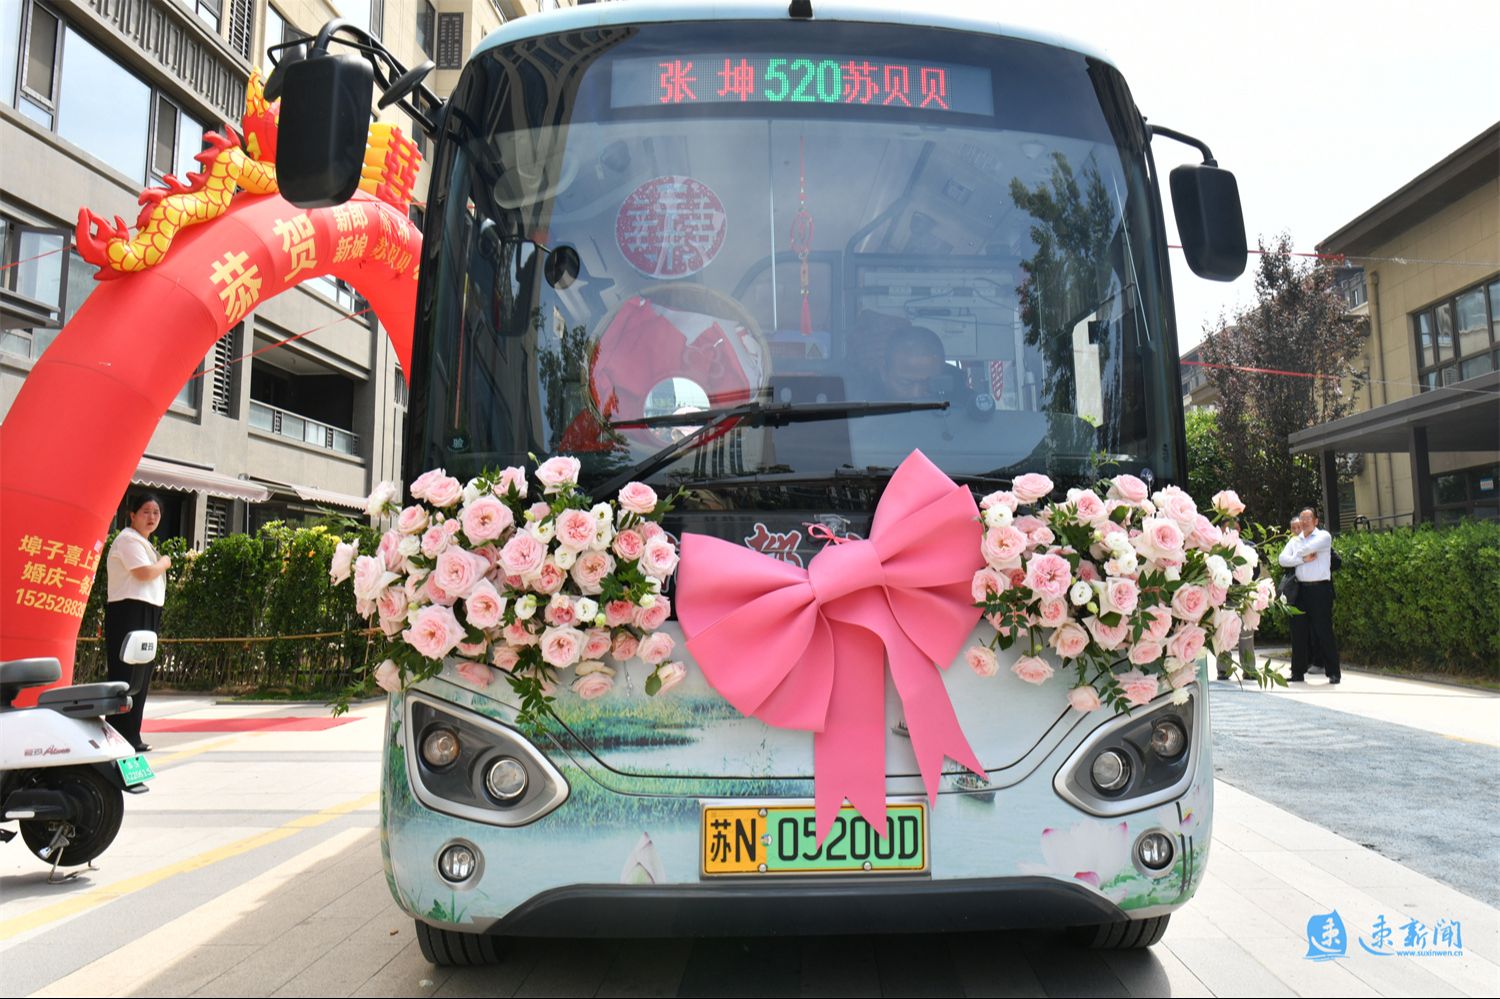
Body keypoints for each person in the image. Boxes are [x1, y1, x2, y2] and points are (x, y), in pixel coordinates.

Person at [105, 493, 171, 751]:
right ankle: (120, 734)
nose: (152, 517)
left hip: (145, 610)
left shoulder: (143, 542)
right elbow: (143, 573)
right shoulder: (127, 539)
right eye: (146, 512)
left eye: (156, 512)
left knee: (140, 675)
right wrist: (164, 562)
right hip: (129, 611)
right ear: (132, 515)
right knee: (126, 673)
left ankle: (131, 734)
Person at [1277, 506, 1340, 685]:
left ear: (1316, 521)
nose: (1304, 522)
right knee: (1298, 631)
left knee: (1323, 631)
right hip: (1301, 589)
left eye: (1307, 519)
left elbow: (1306, 549)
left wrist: (1296, 555)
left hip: (1320, 589)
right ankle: (1297, 672)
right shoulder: (1295, 540)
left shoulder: (1323, 536)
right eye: (1302, 519)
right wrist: (1302, 559)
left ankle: (1333, 672)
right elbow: (1282, 559)